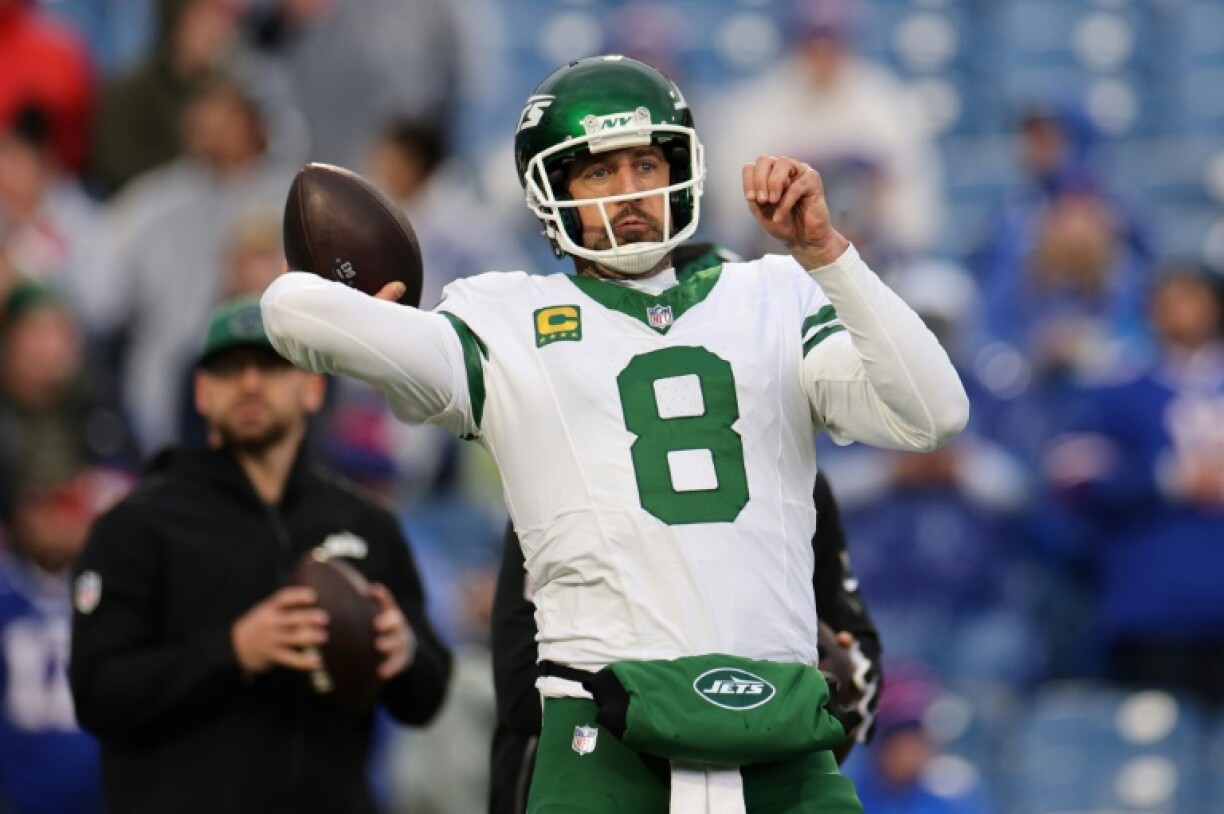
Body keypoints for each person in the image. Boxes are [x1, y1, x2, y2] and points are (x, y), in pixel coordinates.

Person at [261, 54, 968, 812]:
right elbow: (287, 310)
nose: (630, 192)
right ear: (551, 189)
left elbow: (932, 412)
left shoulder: (778, 291)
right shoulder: (504, 316)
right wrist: (377, 315)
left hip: (782, 731)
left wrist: (829, 254)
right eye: (598, 173)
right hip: (604, 737)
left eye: (644, 162)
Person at [68, 297, 452, 814]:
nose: (250, 383)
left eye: (272, 366)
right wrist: (232, 651)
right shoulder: (137, 524)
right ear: (202, 393)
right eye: (230, 369)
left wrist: (403, 654)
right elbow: (97, 693)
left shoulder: (365, 523)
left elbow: (426, 697)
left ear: (314, 387)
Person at [489, 461, 884, 814]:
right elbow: (522, 687)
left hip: (760, 776)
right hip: (595, 760)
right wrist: (745, 697)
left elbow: (862, 661)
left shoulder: (794, 478)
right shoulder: (561, 480)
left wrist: (837, 685)